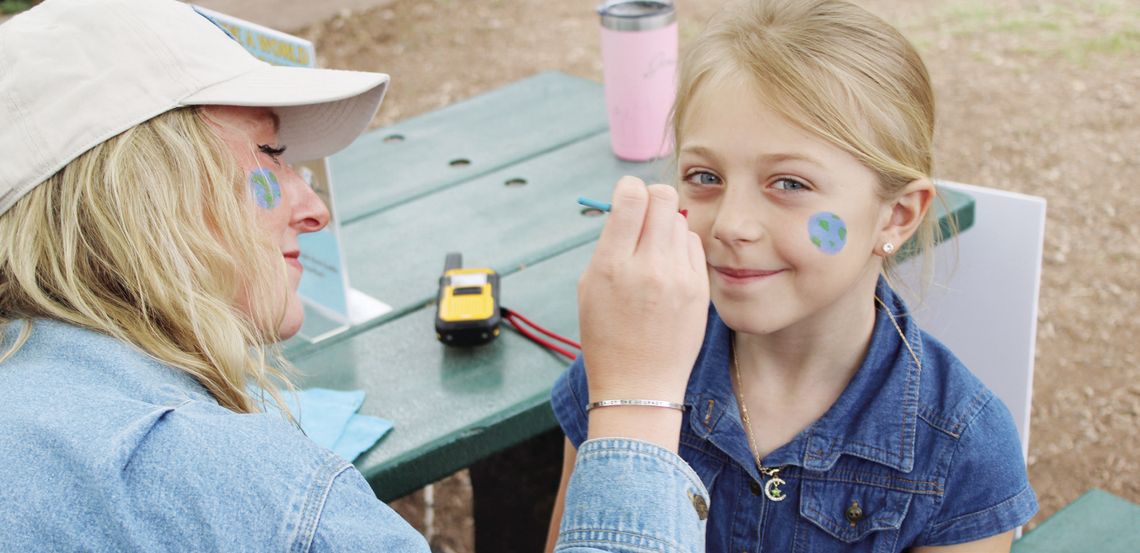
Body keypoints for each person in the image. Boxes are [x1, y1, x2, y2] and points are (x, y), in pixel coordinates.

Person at [0, 0, 713, 550]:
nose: (312, 209)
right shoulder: (212, 477)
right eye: (272, 155)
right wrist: (635, 397)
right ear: (144, 189)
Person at [548, 1, 1038, 551]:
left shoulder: (963, 450)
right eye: (704, 176)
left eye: (789, 184)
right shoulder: (628, 364)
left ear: (895, 215)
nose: (732, 225)